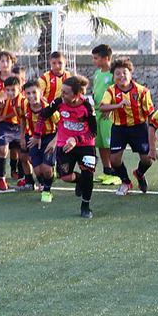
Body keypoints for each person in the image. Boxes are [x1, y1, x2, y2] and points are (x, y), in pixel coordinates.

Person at [37, 75, 98, 218]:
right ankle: (80, 180)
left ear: (76, 95)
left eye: (65, 92)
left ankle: (85, 206)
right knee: (64, 176)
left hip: (85, 145)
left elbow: (93, 131)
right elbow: (42, 115)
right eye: (62, 91)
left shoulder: (87, 106)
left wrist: (76, 139)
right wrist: (36, 135)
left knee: (88, 174)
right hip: (64, 144)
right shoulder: (59, 102)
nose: (62, 95)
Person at [99, 57, 155, 195]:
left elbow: (150, 113)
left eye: (124, 72)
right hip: (119, 129)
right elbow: (102, 107)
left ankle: (139, 173)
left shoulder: (142, 91)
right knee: (114, 160)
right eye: (117, 73)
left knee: (147, 159)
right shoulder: (111, 91)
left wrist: (152, 134)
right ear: (113, 76)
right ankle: (125, 181)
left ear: (131, 74)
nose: (121, 76)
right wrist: (118, 105)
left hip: (139, 128)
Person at [19, 79, 58, 202]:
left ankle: (47, 190)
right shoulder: (24, 105)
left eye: (34, 92)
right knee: (37, 170)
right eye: (28, 93)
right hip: (33, 138)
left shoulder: (48, 108)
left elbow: (61, 126)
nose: (31, 96)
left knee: (46, 169)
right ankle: (46, 179)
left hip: (49, 137)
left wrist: (54, 142)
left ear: (40, 93)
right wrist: (22, 136)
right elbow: (22, 118)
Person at [90, 44, 120, 185]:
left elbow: (118, 93)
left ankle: (117, 173)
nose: (94, 61)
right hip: (97, 112)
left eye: (96, 58)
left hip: (109, 114)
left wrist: (110, 109)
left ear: (106, 58)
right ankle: (107, 171)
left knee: (110, 144)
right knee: (101, 143)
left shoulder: (113, 74)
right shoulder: (97, 74)